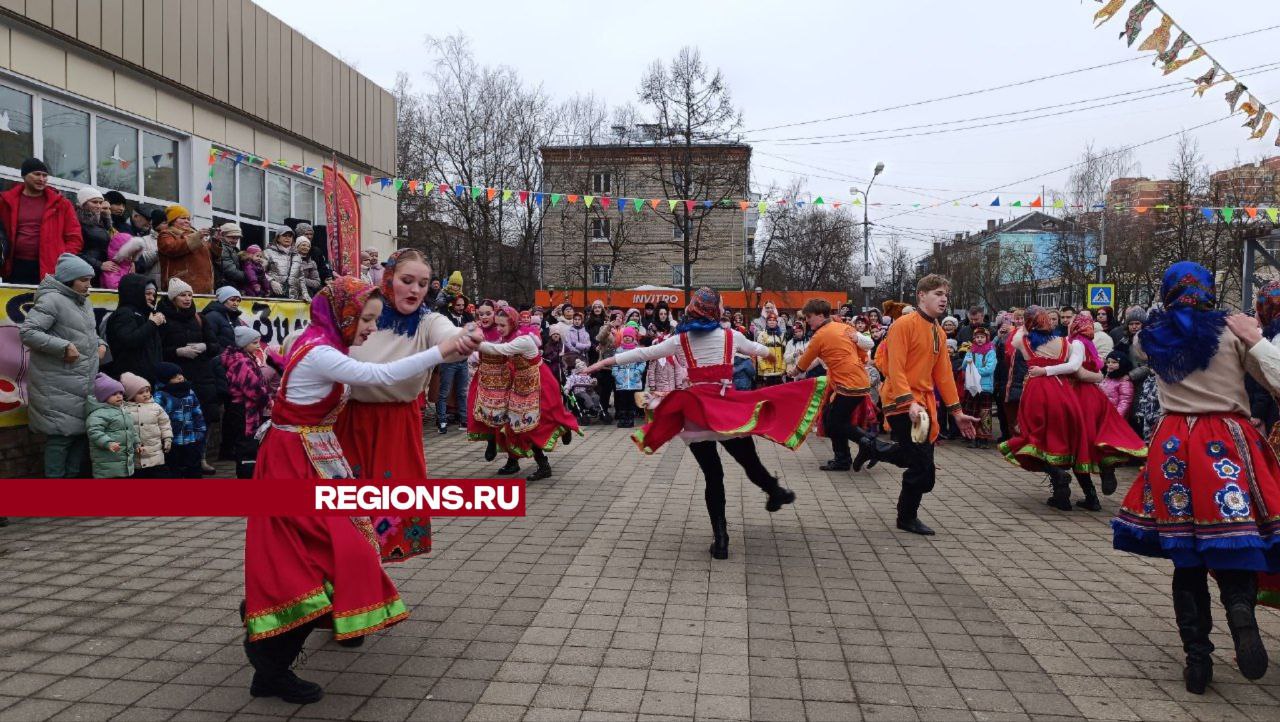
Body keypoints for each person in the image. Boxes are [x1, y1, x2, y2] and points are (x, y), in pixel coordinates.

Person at [244, 277, 478, 704]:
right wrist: (442, 352)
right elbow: (378, 374)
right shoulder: (320, 353)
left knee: (327, 550)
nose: (371, 327)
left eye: (373, 318)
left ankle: (274, 646)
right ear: (345, 316)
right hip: (294, 461)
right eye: (366, 319)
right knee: (326, 551)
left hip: (310, 455)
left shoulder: (319, 339)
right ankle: (270, 654)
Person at [1112, 262, 1280, 696]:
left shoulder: (1149, 336)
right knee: (1234, 538)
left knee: (1187, 555)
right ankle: (1241, 614)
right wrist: (1257, 340)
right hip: (1227, 440)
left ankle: (1198, 661)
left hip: (1175, 445)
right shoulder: (1232, 331)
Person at [584, 287, 824, 559]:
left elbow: (642, 354)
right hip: (726, 411)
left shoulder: (680, 339)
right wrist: (768, 355)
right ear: (715, 311)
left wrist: (600, 363)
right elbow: (760, 349)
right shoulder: (731, 336)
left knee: (713, 475)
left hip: (696, 415)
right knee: (749, 462)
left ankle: (721, 540)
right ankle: (774, 491)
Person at [336, 250, 468, 563]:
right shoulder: (362, 313)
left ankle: (367, 579)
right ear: (389, 278)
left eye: (423, 283)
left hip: (397, 424)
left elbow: (449, 337)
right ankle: (341, 576)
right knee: (344, 505)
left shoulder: (428, 320)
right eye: (407, 281)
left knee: (388, 505)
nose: (415, 290)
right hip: (348, 421)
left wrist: (467, 338)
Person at [858, 275, 979, 536]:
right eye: (937, 293)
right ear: (921, 295)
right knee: (922, 467)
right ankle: (906, 517)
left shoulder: (936, 330)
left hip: (923, 404)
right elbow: (895, 367)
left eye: (946, 293)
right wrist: (909, 402)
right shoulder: (904, 324)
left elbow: (944, 375)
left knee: (915, 461)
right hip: (901, 402)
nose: (944, 298)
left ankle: (872, 447)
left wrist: (957, 413)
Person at [469, 305, 580, 482]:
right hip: (521, 383)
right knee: (520, 423)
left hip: (540, 382)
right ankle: (538, 463)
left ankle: (561, 432)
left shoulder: (523, 339)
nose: (498, 329)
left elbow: (500, 351)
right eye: (497, 325)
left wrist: (472, 342)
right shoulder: (508, 338)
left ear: (512, 323)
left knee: (537, 421)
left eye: (502, 326)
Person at [18, 254, 103, 477]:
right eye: (84, 280)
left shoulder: (83, 301)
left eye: (89, 280)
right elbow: (28, 332)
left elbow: (88, 333)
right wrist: (63, 347)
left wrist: (100, 343)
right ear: (69, 280)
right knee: (60, 439)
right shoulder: (52, 300)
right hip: (56, 383)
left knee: (78, 436)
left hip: (81, 381)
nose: (88, 285)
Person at [792, 298, 879, 472]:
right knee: (834, 419)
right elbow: (862, 350)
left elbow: (804, 362)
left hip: (848, 383)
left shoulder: (820, 335)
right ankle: (844, 457)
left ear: (820, 315)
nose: (807, 321)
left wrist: (793, 372)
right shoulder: (843, 327)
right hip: (856, 380)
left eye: (809, 317)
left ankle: (871, 445)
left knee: (833, 421)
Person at [158, 278, 223, 473]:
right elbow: (158, 349)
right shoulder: (162, 318)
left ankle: (200, 458)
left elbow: (215, 345)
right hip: (175, 378)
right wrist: (177, 352)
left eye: (189, 295)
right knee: (175, 420)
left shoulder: (199, 318)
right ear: (172, 298)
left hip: (202, 376)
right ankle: (175, 462)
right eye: (182, 295)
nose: (187, 299)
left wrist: (205, 346)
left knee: (201, 418)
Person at [0, 158, 82, 284]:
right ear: (24, 175)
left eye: (45, 175)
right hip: (14, 267)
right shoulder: (6, 201)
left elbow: (75, 238)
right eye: (37, 174)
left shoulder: (62, 204)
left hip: (50, 269)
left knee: (45, 303)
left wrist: (60, 259)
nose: (42, 179)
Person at [222, 326, 270, 478]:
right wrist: (266, 399)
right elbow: (253, 387)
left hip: (244, 408)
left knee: (247, 444)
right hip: (244, 409)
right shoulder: (241, 361)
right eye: (254, 343)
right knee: (247, 445)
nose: (258, 346)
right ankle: (247, 476)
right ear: (243, 343)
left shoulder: (245, 358)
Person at [104, 274, 164, 383]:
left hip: (148, 377)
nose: (152, 298)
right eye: (148, 293)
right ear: (135, 293)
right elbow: (130, 340)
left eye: (154, 294)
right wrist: (152, 324)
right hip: (131, 379)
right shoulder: (124, 314)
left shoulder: (147, 315)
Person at [153, 361, 206, 478]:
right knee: (174, 470)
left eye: (179, 373)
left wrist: (200, 432)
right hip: (172, 442)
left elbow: (197, 413)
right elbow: (157, 420)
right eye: (174, 376)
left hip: (191, 439)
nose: (179, 377)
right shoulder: (160, 396)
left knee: (194, 469)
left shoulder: (190, 392)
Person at [85, 373, 139, 479]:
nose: (119, 396)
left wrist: (137, 444)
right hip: (107, 460)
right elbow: (94, 431)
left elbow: (131, 430)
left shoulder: (123, 411)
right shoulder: (98, 413)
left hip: (124, 459)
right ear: (103, 397)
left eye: (120, 393)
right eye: (114, 394)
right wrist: (108, 443)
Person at [120, 372, 172, 478]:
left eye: (147, 391)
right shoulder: (124, 410)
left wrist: (167, 438)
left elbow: (165, 424)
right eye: (140, 393)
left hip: (155, 453)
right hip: (135, 455)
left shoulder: (156, 407)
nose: (146, 394)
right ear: (131, 395)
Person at [436, 293, 474, 435]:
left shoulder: (467, 317)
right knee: (444, 392)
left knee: (462, 392)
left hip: (463, 361)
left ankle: (464, 420)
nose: (461, 308)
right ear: (452, 305)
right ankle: (441, 420)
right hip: (449, 361)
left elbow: (474, 328)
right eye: (458, 305)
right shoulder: (446, 317)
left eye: (463, 305)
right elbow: (441, 309)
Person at [157, 205, 214, 294]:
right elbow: (171, 248)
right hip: (181, 286)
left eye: (188, 219)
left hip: (203, 287)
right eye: (183, 218)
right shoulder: (166, 234)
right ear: (172, 220)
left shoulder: (196, 235)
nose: (187, 221)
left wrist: (217, 240)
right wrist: (196, 237)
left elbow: (213, 256)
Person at [961, 325, 997, 448]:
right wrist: (967, 362)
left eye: (982, 337)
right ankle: (971, 436)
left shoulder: (991, 351)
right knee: (972, 411)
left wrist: (975, 370)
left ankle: (983, 438)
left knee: (985, 412)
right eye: (977, 337)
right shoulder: (971, 350)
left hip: (985, 387)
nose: (979, 339)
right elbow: (965, 366)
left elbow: (990, 368)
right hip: (972, 386)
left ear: (987, 338)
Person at [74, 186, 117, 287]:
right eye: (94, 202)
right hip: (84, 274)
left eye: (100, 202)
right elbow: (74, 252)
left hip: (99, 273)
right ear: (83, 204)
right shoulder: (77, 223)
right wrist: (100, 264)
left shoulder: (102, 224)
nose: (99, 206)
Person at [611, 326, 645, 428]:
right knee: (622, 399)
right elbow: (615, 363)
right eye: (625, 336)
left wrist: (638, 371)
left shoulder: (637, 350)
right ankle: (622, 419)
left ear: (633, 337)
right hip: (622, 378)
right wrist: (616, 373)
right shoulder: (619, 350)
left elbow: (642, 363)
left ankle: (630, 419)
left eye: (629, 336)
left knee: (631, 399)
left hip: (633, 378)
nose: (627, 338)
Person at [265, 227, 305, 299]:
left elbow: (301, 277)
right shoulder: (268, 252)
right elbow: (260, 272)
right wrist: (271, 282)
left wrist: (305, 294)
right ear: (277, 238)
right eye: (284, 235)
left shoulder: (297, 255)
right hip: (273, 295)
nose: (287, 238)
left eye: (290, 236)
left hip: (293, 297)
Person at [203, 286, 245, 353]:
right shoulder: (212, 316)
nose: (236, 303)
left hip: (233, 356)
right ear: (223, 299)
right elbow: (210, 343)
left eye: (238, 301)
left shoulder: (234, 315)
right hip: (220, 358)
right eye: (232, 300)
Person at [214, 223, 248, 292]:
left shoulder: (234, 249)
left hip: (231, 286)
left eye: (237, 238)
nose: (235, 241)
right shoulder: (222, 248)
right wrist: (250, 276)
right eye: (232, 238)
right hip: (224, 287)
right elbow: (231, 271)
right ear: (222, 236)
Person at [1101, 350, 1134, 420]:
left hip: (1114, 417)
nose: (1110, 364)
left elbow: (1125, 402)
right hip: (1102, 414)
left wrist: (1116, 418)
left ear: (1122, 363)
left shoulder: (1124, 382)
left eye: (1114, 362)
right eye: (1108, 362)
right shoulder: (1106, 378)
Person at [755, 316, 787, 387]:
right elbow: (759, 352)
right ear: (766, 322)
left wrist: (783, 367)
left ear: (777, 322)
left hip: (779, 370)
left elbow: (784, 353)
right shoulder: (762, 335)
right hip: (767, 370)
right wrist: (763, 367)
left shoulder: (781, 335)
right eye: (770, 320)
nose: (772, 322)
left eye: (774, 320)